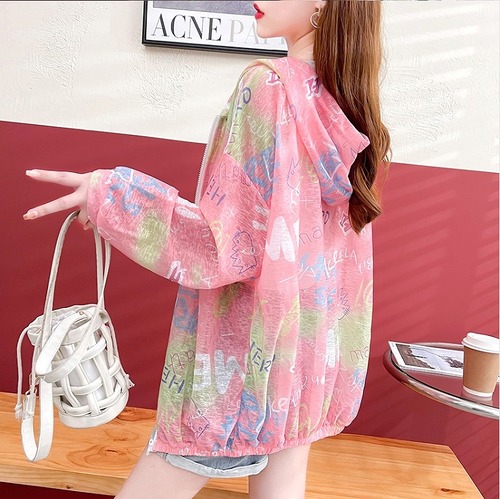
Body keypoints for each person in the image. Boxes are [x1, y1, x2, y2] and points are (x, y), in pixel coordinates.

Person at [23, 1, 391, 498]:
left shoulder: (268, 88)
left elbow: (223, 246)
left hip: (242, 364)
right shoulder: (342, 101)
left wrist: (110, 197)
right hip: (302, 359)